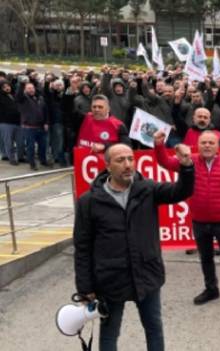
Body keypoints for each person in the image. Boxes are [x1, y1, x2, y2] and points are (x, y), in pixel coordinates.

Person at [73, 142, 195, 351]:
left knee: (154, 328)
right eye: (121, 160)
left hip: (147, 274)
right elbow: (82, 247)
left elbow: (180, 191)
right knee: (109, 333)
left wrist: (186, 166)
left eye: (131, 159)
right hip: (110, 279)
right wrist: (85, 289)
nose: (128, 164)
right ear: (108, 165)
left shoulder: (147, 189)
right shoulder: (89, 201)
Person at [154, 130, 220, 308]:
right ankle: (211, 289)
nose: (207, 145)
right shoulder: (188, 161)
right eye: (203, 142)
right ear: (197, 145)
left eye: (211, 143)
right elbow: (165, 162)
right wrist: (159, 145)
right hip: (199, 221)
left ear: (217, 146)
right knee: (206, 258)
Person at [16, 81, 48, 170]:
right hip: (29, 128)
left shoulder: (40, 98)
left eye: (32, 88)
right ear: (25, 90)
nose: (31, 90)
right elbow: (19, 95)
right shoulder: (23, 99)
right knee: (31, 147)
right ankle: (32, 164)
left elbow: (45, 111)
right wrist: (22, 84)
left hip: (41, 127)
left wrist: (46, 122)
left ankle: (43, 160)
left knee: (43, 145)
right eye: (28, 88)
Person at [0, 79, 22, 165]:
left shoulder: (13, 95)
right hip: (5, 123)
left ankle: (20, 157)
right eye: (4, 87)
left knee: (20, 142)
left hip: (17, 122)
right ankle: (11, 158)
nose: (7, 88)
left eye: (8, 86)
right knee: (8, 142)